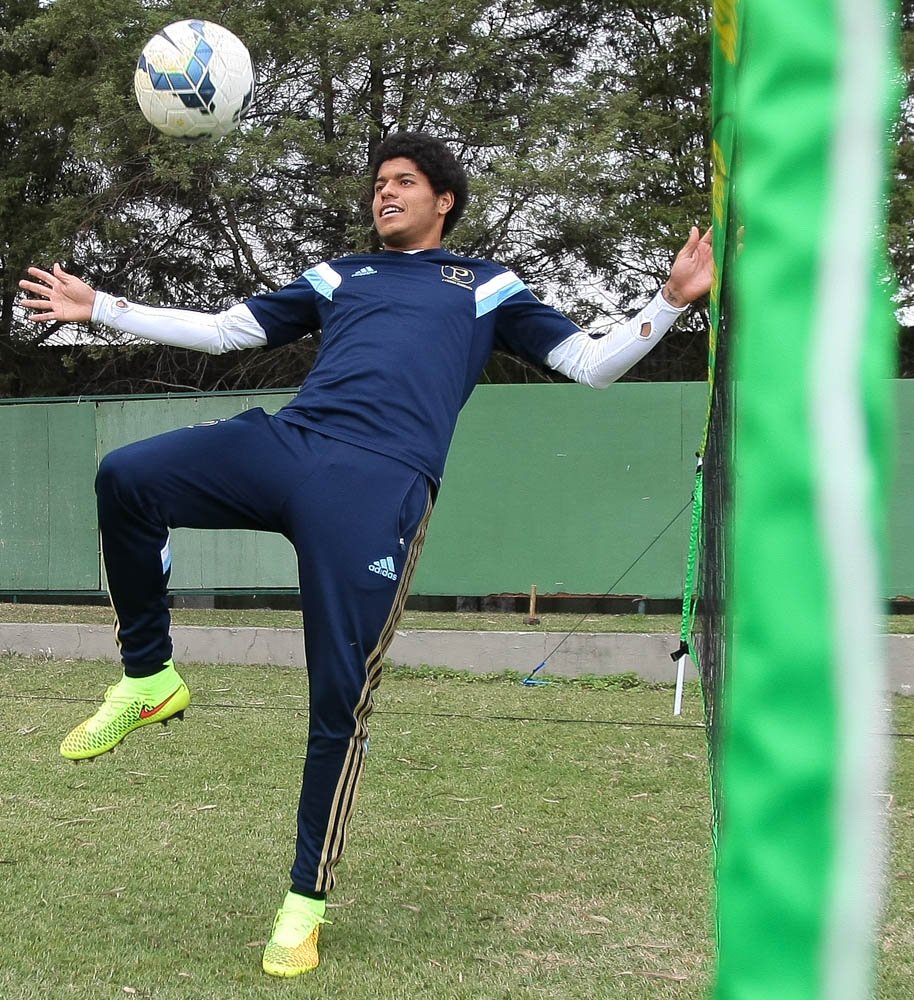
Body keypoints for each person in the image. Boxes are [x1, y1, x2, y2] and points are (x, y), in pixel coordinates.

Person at [19, 131, 712, 978]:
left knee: (338, 702)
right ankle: (148, 678)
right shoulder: (342, 275)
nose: (386, 193)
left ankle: (302, 905)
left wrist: (671, 300)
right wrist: (105, 308)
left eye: (405, 182)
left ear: (443, 200)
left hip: (378, 491)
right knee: (127, 476)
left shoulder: (486, 286)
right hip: (293, 445)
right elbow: (227, 330)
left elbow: (593, 364)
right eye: (380, 182)